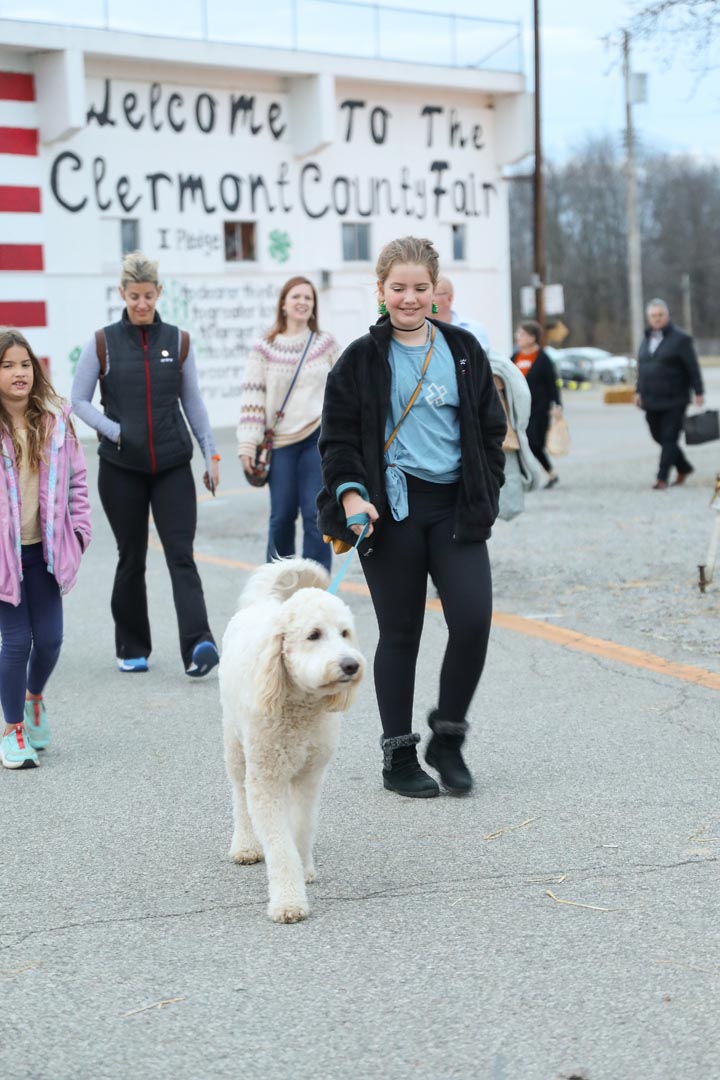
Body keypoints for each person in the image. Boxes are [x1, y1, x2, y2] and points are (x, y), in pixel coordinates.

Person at [317, 236, 506, 798]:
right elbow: (338, 439)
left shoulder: (463, 349)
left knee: (472, 621)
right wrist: (352, 496)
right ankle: (398, 758)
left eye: (420, 288)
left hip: (455, 510)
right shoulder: (359, 359)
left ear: (435, 290)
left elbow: (490, 429)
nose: (410, 298)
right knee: (401, 632)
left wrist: (487, 489)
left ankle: (447, 737)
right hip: (390, 512)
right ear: (381, 291)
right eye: (398, 288)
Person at [71, 252, 220, 677]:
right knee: (131, 556)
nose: (141, 303)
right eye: (134, 296)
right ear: (122, 293)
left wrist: (210, 453)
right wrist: (115, 431)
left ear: (159, 293)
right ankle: (132, 645)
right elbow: (78, 400)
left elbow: (193, 402)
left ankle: (199, 645)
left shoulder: (178, 340)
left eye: (148, 296)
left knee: (181, 555)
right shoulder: (102, 343)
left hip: (172, 465)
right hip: (121, 470)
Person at [0, 329, 91, 770]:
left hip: (45, 553)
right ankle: (12, 730)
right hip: (5, 559)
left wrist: (79, 534)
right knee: (16, 642)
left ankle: (34, 697)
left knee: (51, 641)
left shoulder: (55, 422)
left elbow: (78, 483)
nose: (18, 373)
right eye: (6, 365)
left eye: (24, 364)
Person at [238, 276, 339, 572]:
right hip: (280, 443)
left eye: (308, 298)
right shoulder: (265, 347)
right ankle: (276, 581)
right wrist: (247, 444)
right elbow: (253, 396)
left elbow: (345, 389)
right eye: (296, 296)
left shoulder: (325, 344)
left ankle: (315, 581)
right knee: (281, 515)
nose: (302, 302)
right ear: (283, 303)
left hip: (316, 438)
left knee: (314, 513)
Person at [635, 298, 705, 489]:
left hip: (675, 398)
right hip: (651, 398)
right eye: (653, 315)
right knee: (657, 435)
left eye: (660, 315)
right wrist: (638, 391)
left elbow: (692, 367)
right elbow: (642, 368)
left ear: (667, 316)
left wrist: (699, 391)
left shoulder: (681, 339)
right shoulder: (646, 339)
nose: (657, 318)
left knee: (669, 437)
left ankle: (661, 478)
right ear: (648, 318)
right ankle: (684, 467)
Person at [488, 353, 541, 520]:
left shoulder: (541, 358)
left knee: (507, 472)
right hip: (502, 426)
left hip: (507, 425)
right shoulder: (513, 357)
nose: (520, 340)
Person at [512, 320, 562, 488]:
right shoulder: (515, 357)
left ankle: (549, 472)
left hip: (539, 408)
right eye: (518, 333)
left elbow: (552, 384)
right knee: (519, 443)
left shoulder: (543, 358)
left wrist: (557, 404)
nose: (518, 337)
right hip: (518, 408)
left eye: (522, 334)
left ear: (532, 338)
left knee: (534, 443)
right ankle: (525, 476)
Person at [433, 276, 490, 351]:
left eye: (433, 294)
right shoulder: (420, 330)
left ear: (449, 298)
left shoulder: (474, 329)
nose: (428, 299)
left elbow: (479, 357)